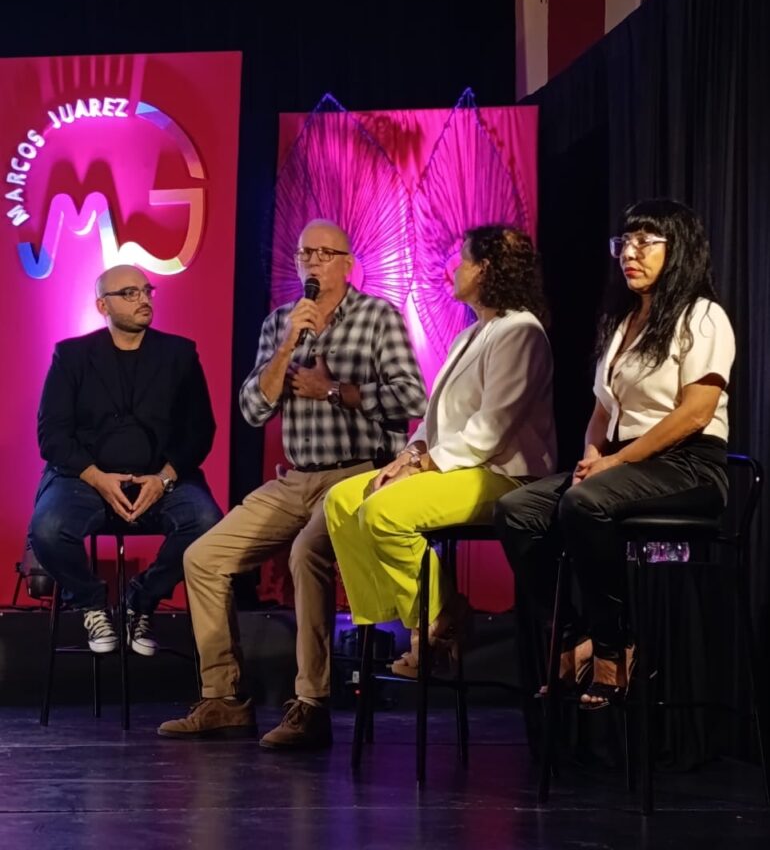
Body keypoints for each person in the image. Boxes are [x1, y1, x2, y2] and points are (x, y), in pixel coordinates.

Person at [159, 220, 427, 746]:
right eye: (306, 253)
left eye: (325, 253)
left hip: (360, 473)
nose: (313, 262)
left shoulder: (378, 317)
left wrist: (334, 390)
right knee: (203, 558)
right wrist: (285, 349)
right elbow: (252, 409)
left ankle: (312, 703)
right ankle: (223, 698)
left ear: (348, 265)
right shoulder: (281, 322)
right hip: (295, 479)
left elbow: (413, 398)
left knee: (307, 553)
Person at [494, 199, 735, 708]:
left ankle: (614, 645)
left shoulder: (702, 315)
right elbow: (603, 410)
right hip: (624, 465)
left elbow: (696, 412)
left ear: (678, 248)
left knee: (586, 502)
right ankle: (572, 638)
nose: (630, 253)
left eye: (645, 242)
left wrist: (614, 464)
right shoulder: (625, 321)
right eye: (624, 242)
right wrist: (591, 456)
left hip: (688, 464)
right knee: (517, 510)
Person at [324, 225, 556, 679]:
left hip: (505, 474)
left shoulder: (521, 332)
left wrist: (423, 465)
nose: (451, 268)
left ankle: (438, 621)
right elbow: (433, 422)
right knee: (343, 501)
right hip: (457, 467)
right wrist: (407, 457)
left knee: (384, 512)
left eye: (461, 259)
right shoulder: (469, 335)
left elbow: (491, 429)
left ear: (486, 269)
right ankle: (416, 620)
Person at [29, 265, 222, 657]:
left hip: (161, 480)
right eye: (130, 293)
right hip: (84, 480)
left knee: (206, 523)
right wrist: (96, 477)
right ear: (103, 305)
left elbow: (200, 430)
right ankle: (92, 604)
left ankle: (141, 601)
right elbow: (52, 435)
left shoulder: (180, 355)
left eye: (147, 291)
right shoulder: (72, 356)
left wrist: (165, 477)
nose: (144, 300)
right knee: (47, 529)